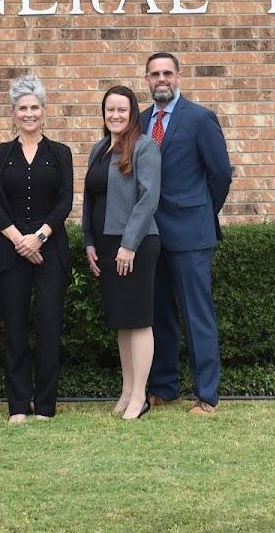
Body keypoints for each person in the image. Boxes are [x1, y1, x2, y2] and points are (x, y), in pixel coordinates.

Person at [142, 53, 233, 416]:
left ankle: (207, 395)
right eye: (154, 74)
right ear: (147, 80)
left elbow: (221, 174)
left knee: (197, 316)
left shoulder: (199, 119)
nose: (161, 79)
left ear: (178, 76)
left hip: (191, 233)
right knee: (159, 314)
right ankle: (165, 388)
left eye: (167, 73)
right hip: (152, 233)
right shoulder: (141, 120)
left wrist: (201, 211)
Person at [0, 74, 74, 424]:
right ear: (13, 113)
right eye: (22, 107)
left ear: (44, 111)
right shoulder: (0, 154)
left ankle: (46, 406)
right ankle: (18, 405)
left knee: (50, 327)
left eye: (35, 107)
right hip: (10, 250)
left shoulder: (60, 153)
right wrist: (18, 239)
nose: (29, 113)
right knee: (15, 329)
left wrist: (39, 237)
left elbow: (65, 200)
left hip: (49, 248)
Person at [81, 86, 162, 421]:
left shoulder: (145, 147)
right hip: (104, 243)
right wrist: (88, 240)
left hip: (136, 245)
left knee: (139, 319)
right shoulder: (100, 149)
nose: (115, 116)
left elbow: (148, 199)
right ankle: (127, 390)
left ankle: (141, 395)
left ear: (132, 114)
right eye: (110, 110)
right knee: (122, 321)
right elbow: (90, 198)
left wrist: (128, 244)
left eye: (122, 111)